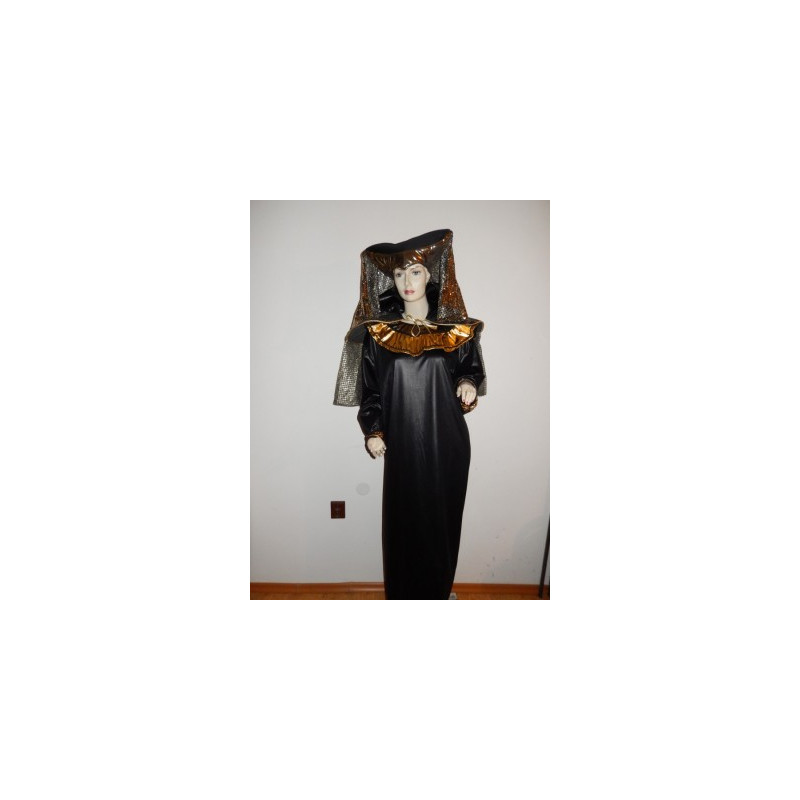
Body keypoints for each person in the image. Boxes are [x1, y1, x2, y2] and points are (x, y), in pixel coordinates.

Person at [334, 229, 486, 600]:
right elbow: (371, 391)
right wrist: (374, 430)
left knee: (441, 521)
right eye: (400, 273)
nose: (407, 281)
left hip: (447, 442)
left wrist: (467, 383)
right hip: (403, 442)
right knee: (403, 521)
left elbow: (469, 372)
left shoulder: (455, 331)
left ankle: (438, 594)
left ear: (431, 275)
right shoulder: (379, 335)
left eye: (415, 271)